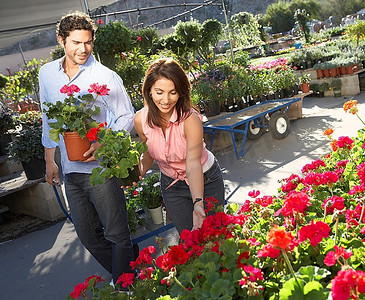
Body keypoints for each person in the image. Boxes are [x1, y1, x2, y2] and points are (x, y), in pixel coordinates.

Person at [39, 11, 136, 285]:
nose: (83, 49)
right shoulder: (47, 75)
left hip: (102, 170)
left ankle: (125, 286)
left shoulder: (103, 75)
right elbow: (49, 118)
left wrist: (103, 140)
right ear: (61, 41)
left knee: (117, 234)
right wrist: (50, 160)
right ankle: (131, 266)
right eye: (76, 43)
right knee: (89, 237)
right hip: (71, 170)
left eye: (88, 42)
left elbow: (126, 116)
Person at [134, 58, 225, 234]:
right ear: (149, 90)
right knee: (188, 240)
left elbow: (192, 164)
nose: (166, 100)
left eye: (173, 92)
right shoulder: (140, 119)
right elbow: (148, 153)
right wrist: (135, 174)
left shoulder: (190, 119)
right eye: (159, 92)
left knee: (215, 236)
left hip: (206, 179)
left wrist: (198, 202)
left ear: (181, 92)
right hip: (172, 185)